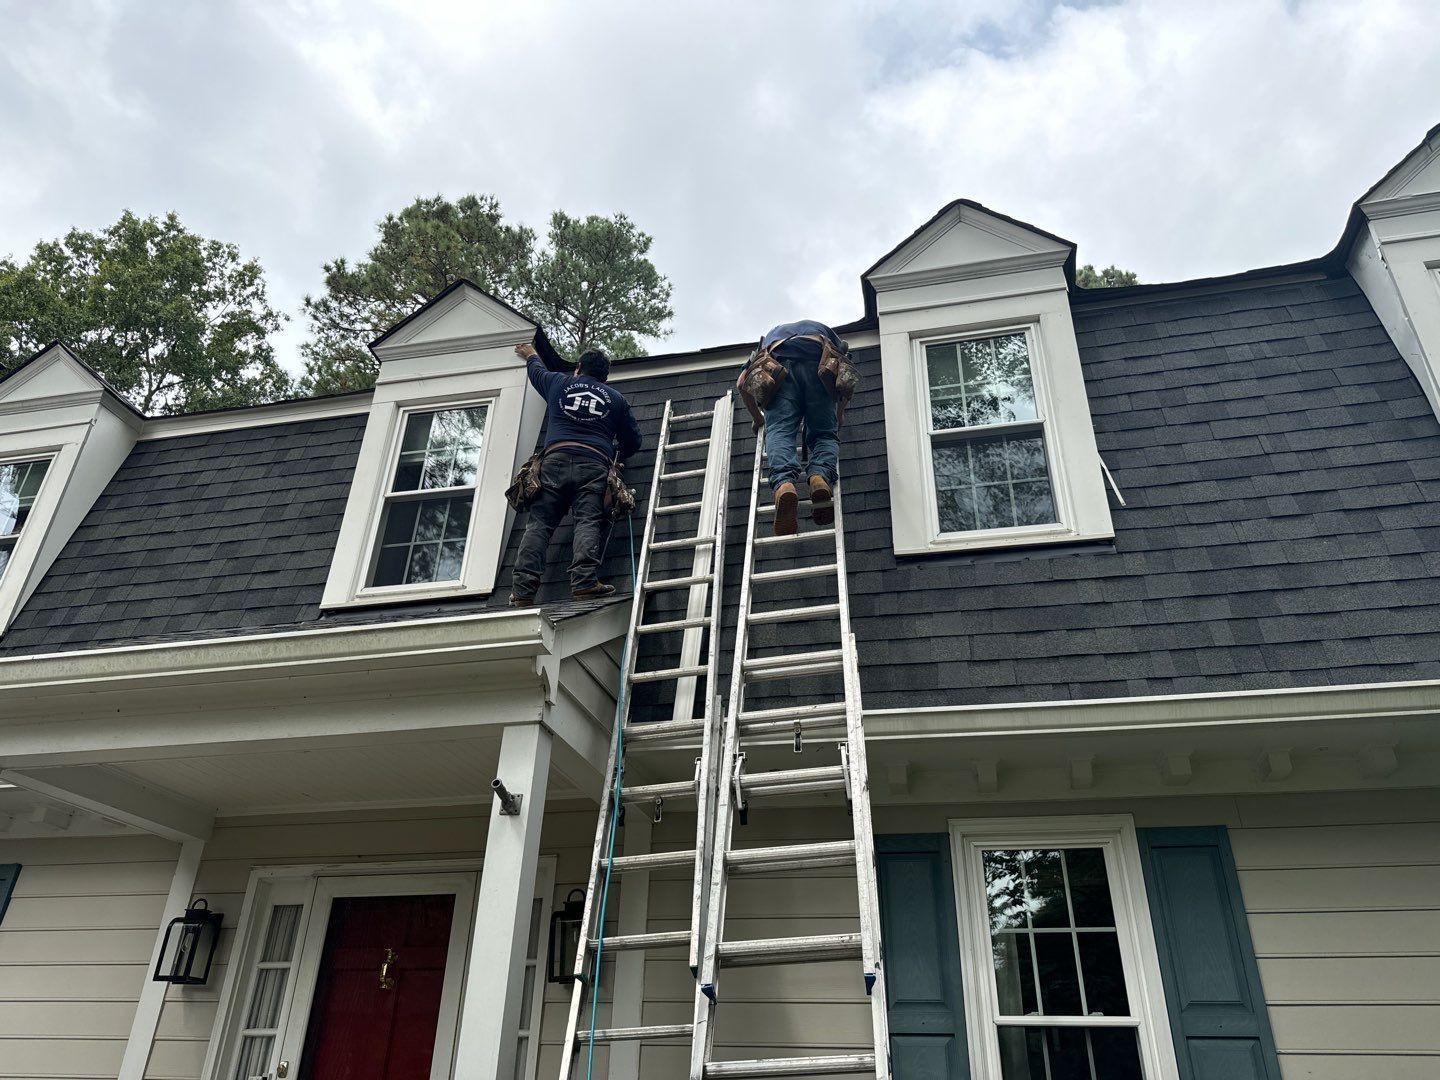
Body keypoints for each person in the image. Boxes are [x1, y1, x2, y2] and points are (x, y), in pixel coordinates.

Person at [510, 342, 642, 604]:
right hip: (593, 464)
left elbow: (536, 372)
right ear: (605, 377)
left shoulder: (559, 383)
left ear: (579, 369)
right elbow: (633, 441)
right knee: (587, 521)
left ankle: (523, 592)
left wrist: (531, 354)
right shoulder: (615, 400)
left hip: (554, 460)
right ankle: (583, 582)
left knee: (539, 525)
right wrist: (615, 449)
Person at [737, 320, 849, 536]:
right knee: (824, 435)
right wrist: (839, 413)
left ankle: (784, 485)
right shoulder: (825, 332)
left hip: (777, 367)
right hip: (819, 364)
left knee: (779, 431)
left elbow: (742, 383)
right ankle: (819, 477)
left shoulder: (768, 340)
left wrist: (757, 418)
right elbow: (845, 381)